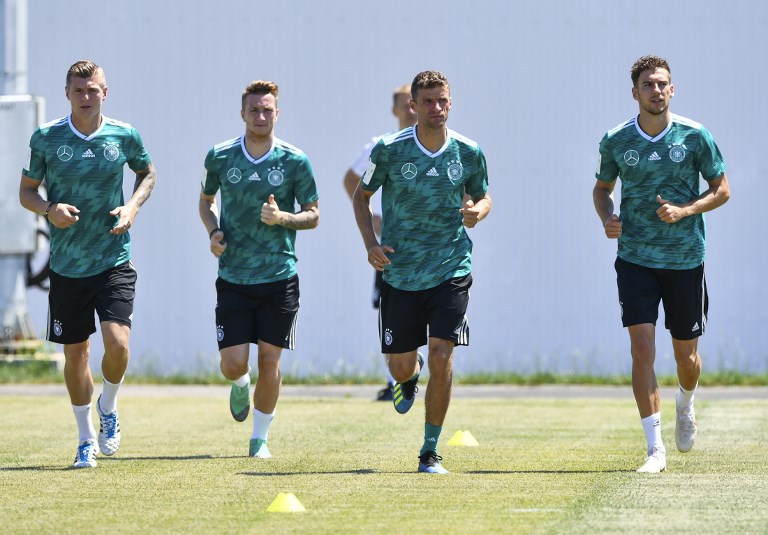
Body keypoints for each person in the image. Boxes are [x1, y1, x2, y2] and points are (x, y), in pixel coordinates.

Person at [593, 55, 730, 473]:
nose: (656, 90)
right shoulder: (616, 140)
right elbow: (602, 189)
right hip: (635, 258)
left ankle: (685, 403)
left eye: (662, 84)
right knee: (641, 349)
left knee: (686, 357)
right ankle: (655, 450)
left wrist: (686, 211)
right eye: (648, 85)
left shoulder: (695, 135)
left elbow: (722, 189)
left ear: (673, 89)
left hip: (686, 259)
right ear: (634, 92)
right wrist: (607, 217)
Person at [19, 60, 157, 468]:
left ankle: (109, 406)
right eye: (78, 90)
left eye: (92, 90)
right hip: (66, 266)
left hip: (113, 258)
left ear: (105, 92)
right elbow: (26, 191)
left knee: (118, 343)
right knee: (75, 354)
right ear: (67, 93)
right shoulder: (47, 137)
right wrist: (49, 209)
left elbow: (147, 174)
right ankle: (85, 439)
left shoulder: (124, 134)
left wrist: (132, 207)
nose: (85, 97)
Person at [353, 71, 491, 474]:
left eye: (442, 100)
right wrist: (371, 245)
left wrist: (477, 212)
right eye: (428, 101)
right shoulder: (389, 150)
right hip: (401, 272)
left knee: (442, 353)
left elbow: (483, 196)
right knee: (401, 364)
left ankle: (429, 451)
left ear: (451, 101)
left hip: (451, 266)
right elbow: (361, 198)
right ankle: (406, 378)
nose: (436, 108)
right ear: (413, 105)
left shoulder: (469, 151)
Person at [199, 80, 319, 459]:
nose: (261, 116)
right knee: (233, 364)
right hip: (233, 276)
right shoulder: (219, 156)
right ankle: (239, 383)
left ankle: (260, 439)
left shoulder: (295, 160)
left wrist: (283, 217)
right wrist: (214, 231)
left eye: (268, 110)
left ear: (277, 113)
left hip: (279, 276)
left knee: (271, 360)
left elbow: (314, 215)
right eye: (255, 110)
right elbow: (206, 202)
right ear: (243, 114)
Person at [343, 84, 417, 401]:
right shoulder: (382, 145)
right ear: (395, 110)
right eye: (406, 105)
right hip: (392, 247)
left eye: (416, 103)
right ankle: (394, 379)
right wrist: (373, 217)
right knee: (389, 311)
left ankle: (411, 365)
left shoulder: (441, 145)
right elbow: (351, 180)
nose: (412, 110)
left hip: (427, 248)